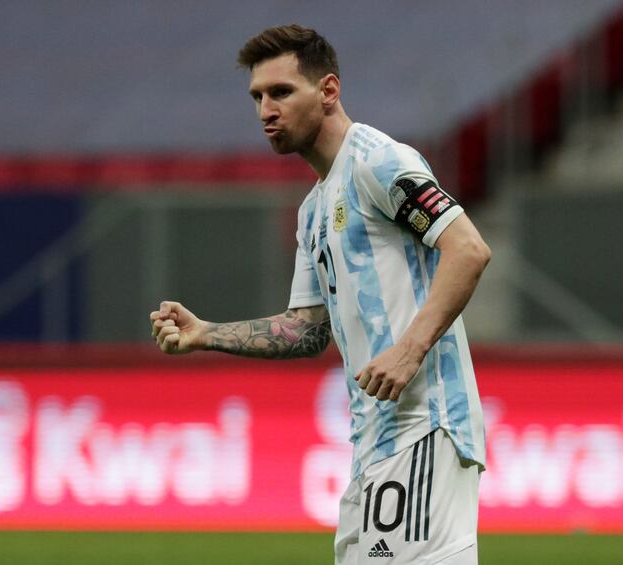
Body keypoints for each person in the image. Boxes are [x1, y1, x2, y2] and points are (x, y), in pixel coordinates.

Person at [150, 24, 490, 565]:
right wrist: (206, 334)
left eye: (281, 92)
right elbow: (306, 329)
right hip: (374, 439)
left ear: (328, 91)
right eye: (258, 97)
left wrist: (408, 350)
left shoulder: (377, 161)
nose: (266, 109)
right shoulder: (313, 210)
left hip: (425, 425)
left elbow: (468, 249)